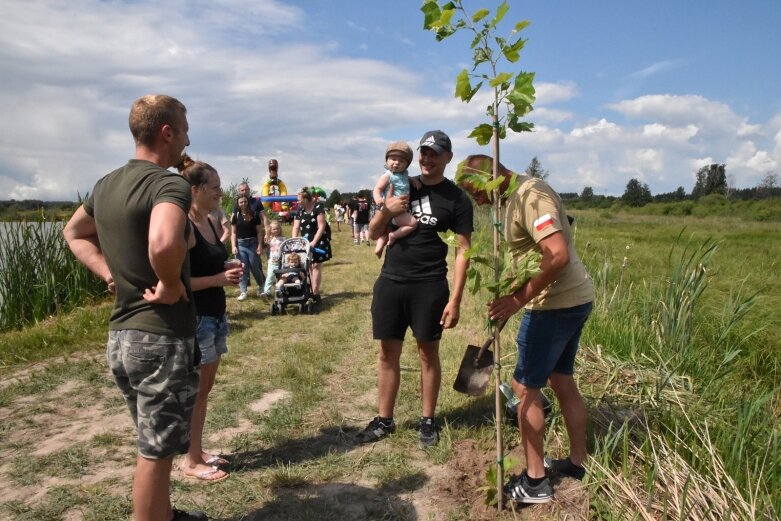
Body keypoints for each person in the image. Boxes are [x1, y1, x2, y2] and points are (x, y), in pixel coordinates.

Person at [63, 94, 206, 521]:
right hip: (159, 336)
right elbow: (163, 242)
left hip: (122, 338)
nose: (187, 138)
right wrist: (167, 282)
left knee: (151, 441)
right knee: (155, 451)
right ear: (167, 132)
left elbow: (74, 232)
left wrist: (109, 272)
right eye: (183, 129)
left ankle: (164, 513)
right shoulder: (169, 184)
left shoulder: (106, 185)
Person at [456, 154, 594, 504]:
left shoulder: (531, 196)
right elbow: (535, 253)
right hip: (570, 301)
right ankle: (578, 463)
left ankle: (535, 483)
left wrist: (516, 300)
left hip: (555, 307)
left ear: (494, 176)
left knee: (524, 387)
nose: (480, 201)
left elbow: (557, 253)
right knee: (561, 380)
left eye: (478, 192)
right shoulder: (519, 196)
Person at [356, 130, 473, 448]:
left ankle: (427, 421)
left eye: (435, 153)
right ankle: (384, 420)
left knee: (427, 354)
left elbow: (463, 250)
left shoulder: (457, 199)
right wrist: (387, 211)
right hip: (391, 282)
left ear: (448, 158)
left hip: (430, 286)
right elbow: (372, 234)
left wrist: (457, 299)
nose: (427, 158)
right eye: (423, 152)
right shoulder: (401, 184)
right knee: (386, 354)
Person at [178, 155, 242, 483]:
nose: (220, 193)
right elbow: (177, 281)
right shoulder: (184, 225)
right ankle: (190, 461)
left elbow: (209, 264)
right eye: (215, 188)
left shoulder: (210, 220)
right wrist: (218, 280)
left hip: (216, 315)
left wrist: (226, 267)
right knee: (197, 390)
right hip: (199, 317)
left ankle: (197, 450)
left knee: (205, 390)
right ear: (197, 189)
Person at [372, 141, 419, 258]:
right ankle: (394, 236)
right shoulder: (387, 175)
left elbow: (405, 178)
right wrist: (378, 198)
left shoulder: (404, 175)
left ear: (406, 165)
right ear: (386, 161)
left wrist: (413, 180)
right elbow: (377, 188)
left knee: (387, 229)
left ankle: (380, 244)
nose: (396, 163)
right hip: (392, 208)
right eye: (393, 159)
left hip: (400, 210)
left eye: (401, 161)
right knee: (412, 224)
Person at [292, 186, 332, 301]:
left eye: (299, 200)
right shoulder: (300, 209)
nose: (298, 202)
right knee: (309, 265)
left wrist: (314, 241)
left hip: (319, 240)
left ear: (305, 198)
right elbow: (296, 226)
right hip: (305, 241)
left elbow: (322, 226)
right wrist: (294, 240)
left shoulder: (318, 206)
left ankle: (315, 292)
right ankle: (311, 291)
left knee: (316, 265)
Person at [231, 194, 266, 301]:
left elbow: (259, 232)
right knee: (242, 268)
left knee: (255, 267)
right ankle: (243, 291)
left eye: (245, 201)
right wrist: (233, 246)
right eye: (241, 202)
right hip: (241, 244)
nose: (243, 204)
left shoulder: (254, 214)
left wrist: (260, 245)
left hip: (253, 243)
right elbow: (233, 232)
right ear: (238, 204)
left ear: (248, 202)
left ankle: (262, 287)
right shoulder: (236, 216)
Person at [262, 220, 286, 297]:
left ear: (280, 229)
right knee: (270, 276)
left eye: (277, 228)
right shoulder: (270, 239)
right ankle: (266, 292)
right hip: (272, 261)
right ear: (271, 230)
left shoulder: (283, 239)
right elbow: (265, 247)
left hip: (282, 262)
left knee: (281, 277)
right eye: (274, 229)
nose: (276, 230)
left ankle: (280, 290)